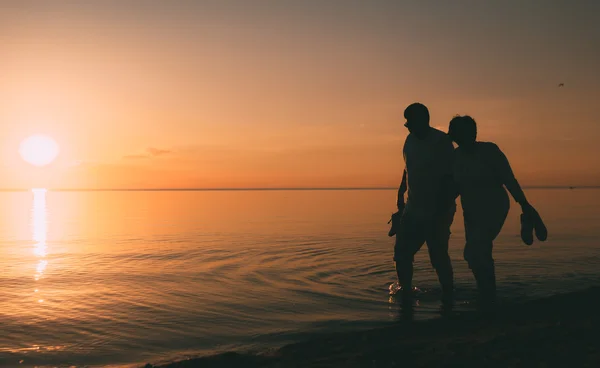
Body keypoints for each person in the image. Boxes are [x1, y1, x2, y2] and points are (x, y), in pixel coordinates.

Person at [448, 115, 546, 310]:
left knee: (473, 251)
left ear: (472, 133)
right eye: (457, 134)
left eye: (466, 133)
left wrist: (523, 203)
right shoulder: (455, 157)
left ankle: (487, 294)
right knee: (480, 252)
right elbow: (455, 187)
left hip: (494, 207)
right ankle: (487, 292)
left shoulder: (490, 150)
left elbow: (508, 178)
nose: (462, 137)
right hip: (471, 211)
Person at [393, 103, 458, 306]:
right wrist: (400, 195)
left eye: (409, 121)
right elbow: (407, 169)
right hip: (413, 209)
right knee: (402, 253)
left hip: (439, 211)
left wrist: (442, 208)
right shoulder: (409, 140)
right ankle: (406, 294)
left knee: (438, 256)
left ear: (423, 120)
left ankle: (448, 295)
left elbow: (451, 177)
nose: (407, 126)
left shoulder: (442, 142)